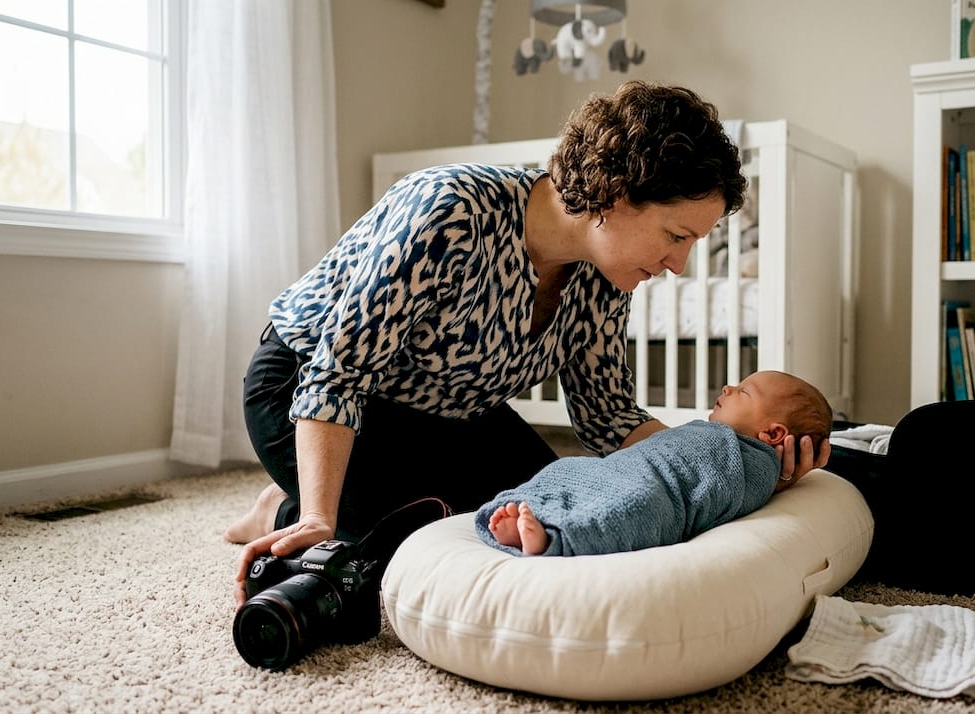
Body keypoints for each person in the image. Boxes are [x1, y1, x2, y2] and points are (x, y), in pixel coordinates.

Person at [224, 81, 830, 605]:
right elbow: (340, 373)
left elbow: (610, 418)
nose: (678, 265)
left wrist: (733, 460)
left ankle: (317, 490)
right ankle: (286, 503)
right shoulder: (450, 210)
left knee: (553, 513)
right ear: (616, 194)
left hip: (450, 407)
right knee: (428, 534)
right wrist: (317, 519)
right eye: (676, 235)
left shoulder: (603, 279)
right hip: (307, 387)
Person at [476, 370, 832, 556]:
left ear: (772, 434)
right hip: (621, 467)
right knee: (566, 468)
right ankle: (531, 509)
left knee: (632, 509)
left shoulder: (752, 463)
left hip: (657, 490)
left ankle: (557, 540)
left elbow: (733, 495)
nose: (726, 388)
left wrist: (777, 478)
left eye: (743, 391)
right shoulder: (711, 435)